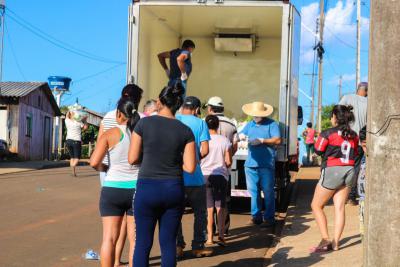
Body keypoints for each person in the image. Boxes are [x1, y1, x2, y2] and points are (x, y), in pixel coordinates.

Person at [128, 83, 197, 267]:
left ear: (159, 102)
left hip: (147, 188)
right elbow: (190, 167)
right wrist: (174, 159)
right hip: (173, 189)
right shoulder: (185, 130)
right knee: (168, 244)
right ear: (178, 105)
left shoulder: (143, 123)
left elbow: (132, 158)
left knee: (142, 243)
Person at [90, 98, 141, 267]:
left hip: (112, 189)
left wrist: (104, 168)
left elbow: (94, 162)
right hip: (136, 190)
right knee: (135, 241)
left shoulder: (109, 134)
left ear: (119, 114)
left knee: (109, 238)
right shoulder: (140, 134)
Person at [311, 105, 359, 252]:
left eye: (331, 116)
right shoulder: (354, 135)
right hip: (350, 170)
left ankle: (325, 239)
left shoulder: (327, 133)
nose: (330, 119)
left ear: (335, 117)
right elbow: (356, 153)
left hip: (333, 171)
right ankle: (336, 243)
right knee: (339, 208)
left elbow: (318, 150)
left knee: (316, 206)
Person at [175, 96, 213, 258]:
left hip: (175, 176)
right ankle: (198, 246)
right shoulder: (201, 123)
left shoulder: (174, 119)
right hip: (195, 177)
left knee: (175, 213)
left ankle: (178, 246)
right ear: (197, 109)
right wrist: (195, 159)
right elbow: (205, 150)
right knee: (200, 213)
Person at [239, 101, 281, 227]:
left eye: (257, 115)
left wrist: (262, 140)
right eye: (254, 115)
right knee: (254, 192)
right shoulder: (250, 124)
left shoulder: (272, 124)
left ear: (263, 115)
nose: (255, 117)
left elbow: (277, 140)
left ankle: (269, 218)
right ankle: (256, 217)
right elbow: (241, 135)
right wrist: (240, 137)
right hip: (250, 164)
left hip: (266, 164)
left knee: (268, 191)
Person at [205, 96, 239, 235]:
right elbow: (235, 145)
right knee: (223, 201)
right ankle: (223, 230)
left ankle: (209, 231)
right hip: (224, 170)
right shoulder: (231, 124)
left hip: (206, 170)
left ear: (210, 109)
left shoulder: (204, 123)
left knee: (208, 203)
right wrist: (228, 157)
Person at [201, 115, 232, 247]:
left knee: (208, 208)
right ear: (218, 125)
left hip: (205, 176)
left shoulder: (202, 140)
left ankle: (209, 238)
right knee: (220, 206)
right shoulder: (224, 141)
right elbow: (228, 161)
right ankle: (221, 235)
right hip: (221, 176)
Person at [339, 82, 368, 205]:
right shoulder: (369, 103)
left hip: (344, 138)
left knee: (343, 165)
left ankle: (341, 195)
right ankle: (351, 197)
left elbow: (337, 112)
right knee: (355, 168)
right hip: (359, 141)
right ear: (366, 91)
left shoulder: (347, 97)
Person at [65, 111, 88, 177]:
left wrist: (69, 111)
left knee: (72, 157)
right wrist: (85, 120)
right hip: (76, 141)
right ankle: (73, 165)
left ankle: (73, 172)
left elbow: (67, 115)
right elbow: (85, 128)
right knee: (77, 158)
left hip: (68, 141)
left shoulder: (67, 121)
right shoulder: (78, 122)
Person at [357, 126, 367, 239]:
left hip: (367, 198)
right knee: (363, 230)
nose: (366, 149)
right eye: (363, 146)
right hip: (362, 198)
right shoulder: (363, 157)